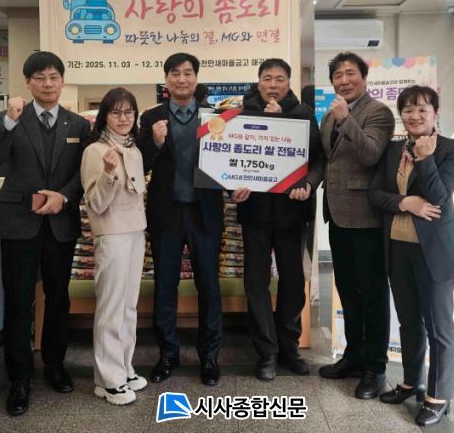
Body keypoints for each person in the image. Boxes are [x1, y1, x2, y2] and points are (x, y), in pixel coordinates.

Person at [0, 51, 90, 416]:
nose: (48, 83)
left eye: (54, 76)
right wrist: (8, 122)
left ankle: (55, 366)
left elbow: (83, 172)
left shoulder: (78, 125)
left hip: (59, 224)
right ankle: (20, 379)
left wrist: (64, 196)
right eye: (40, 77)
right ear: (28, 83)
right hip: (18, 222)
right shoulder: (12, 119)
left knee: (59, 298)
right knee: (18, 301)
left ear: (62, 81)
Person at [369, 85, 454, 426]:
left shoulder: (451, 148)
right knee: (409, 321)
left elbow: (438, 196)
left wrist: (425, 158)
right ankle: (412, 382)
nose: (414, 116)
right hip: (398, 247)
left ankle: (438, 395)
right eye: (408, 110)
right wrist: (404, 203)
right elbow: (375, 194)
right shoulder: (394, 149)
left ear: (436, 113)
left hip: (435, 251)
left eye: (422, 109)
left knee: (439, 326)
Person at [231, 59, 324, 381]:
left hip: (292, 213)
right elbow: (229, 158)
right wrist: (232, 187)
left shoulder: (304, 113)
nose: (273, 85)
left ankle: (289, 346)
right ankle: (266, 352)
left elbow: (317, 157)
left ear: (288, 82)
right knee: (256, 283)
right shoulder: (241, 115)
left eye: (280, 79)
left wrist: (308, 184)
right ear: (258, 82)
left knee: (293, 283)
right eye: (268, 78)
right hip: (254, 212)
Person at [137, 52, 224, 386]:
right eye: (175, 73)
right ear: (166, 80)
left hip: (205, 213)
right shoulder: (151, 117)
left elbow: (230, 163)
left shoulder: (216, 117)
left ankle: (210, 357)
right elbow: (140, 163)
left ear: (196, 79)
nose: (182, 79)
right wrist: (156, 143)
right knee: (165, 286)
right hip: (166, 213)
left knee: (209, 287)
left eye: (188, 73)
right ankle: (167, 354)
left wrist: (240, 185)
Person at [317, 52, 395, 400]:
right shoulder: (328, 116)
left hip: (366, 218)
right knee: (348, 291)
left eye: (350, 73)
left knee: (372, 295)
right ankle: (353, 356)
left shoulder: (378, 112)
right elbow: (326, 161)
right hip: (337, 215)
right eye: (338, 75)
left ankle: (375, 368)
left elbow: (371, 154)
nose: (344, 80)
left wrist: (346, 120)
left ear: (364, 77)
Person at [80, 88, 147, 406]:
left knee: (128, 307)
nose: (123, 118)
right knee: (111, 307)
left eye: (129, 112)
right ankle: (109, 381)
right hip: (111, 234)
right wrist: (108, 174)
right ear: (105, 116)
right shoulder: (95, 151)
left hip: (135, 232)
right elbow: (95, 203)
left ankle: (123, 368)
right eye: (116, 112)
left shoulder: (134, 149)